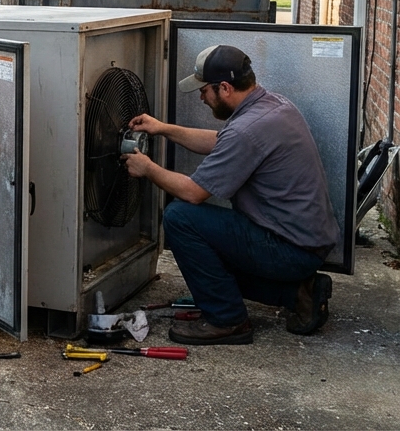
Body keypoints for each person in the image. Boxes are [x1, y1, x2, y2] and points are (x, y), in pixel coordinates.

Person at [124, 44, 339, 346]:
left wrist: (147, 168)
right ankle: (299, 294)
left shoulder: (247, 129)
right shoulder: (272, 105)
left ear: (224, 87)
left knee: (181, 219)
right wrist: (163, 128)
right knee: (210, 259)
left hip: (288, 250)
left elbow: (193, 193)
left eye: (204, 90)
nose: (201, 97)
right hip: (304, 243)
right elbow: (222, 141)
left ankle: (227, 320)